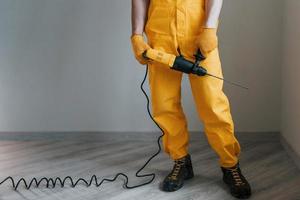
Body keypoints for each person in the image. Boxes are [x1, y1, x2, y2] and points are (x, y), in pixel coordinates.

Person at [130, 0, 251, 199]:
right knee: (164, 106)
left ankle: (230, 165)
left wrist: (209, 28)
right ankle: (181, 161)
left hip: (198, 34)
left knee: (213, 105)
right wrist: (136, 34)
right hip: (160, 36)